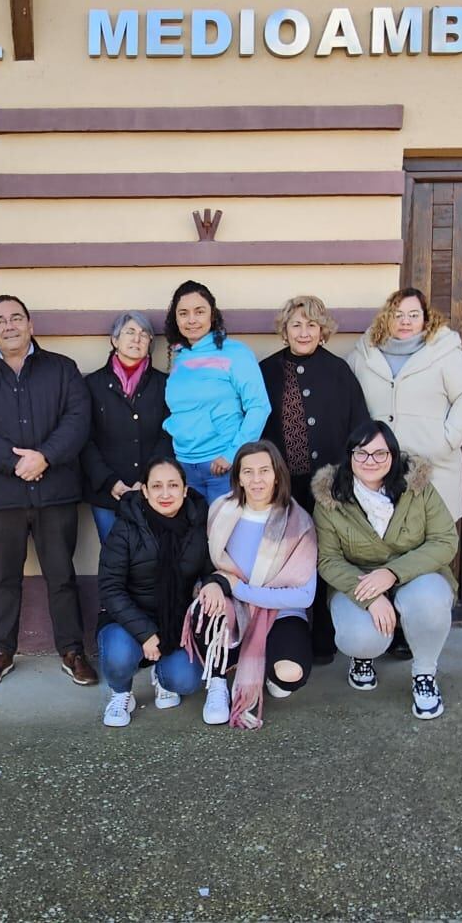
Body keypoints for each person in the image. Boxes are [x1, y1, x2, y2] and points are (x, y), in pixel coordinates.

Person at [0, 295, 97, 688]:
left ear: (31, 325)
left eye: (16, 318)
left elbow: (78, 419)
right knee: (3, 578)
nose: (9, 325)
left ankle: (72, 649)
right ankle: (1, 652)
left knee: (62, 575)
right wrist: (15, 461)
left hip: (56, 492)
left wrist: (45, 456)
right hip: (1, 495)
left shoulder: (63, 370)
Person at [310, 422, 459, 719]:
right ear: (350, 455)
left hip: (415, 577)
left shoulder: (418, 489)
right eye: (361, 453)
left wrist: (391, 574)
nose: (370, 461)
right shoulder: (331, 499)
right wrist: (370, 596)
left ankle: (424, 674)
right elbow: (327, 560)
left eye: (380, 454)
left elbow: (445, 540)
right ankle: (362, 658)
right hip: (360, 583)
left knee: (429, 600)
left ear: (393, 455)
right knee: (362, 639)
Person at [260, 294, 371, 663]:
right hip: (282, 487)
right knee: (283, 559)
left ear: (322, 331)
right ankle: (280, 639)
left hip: (328, 488)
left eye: (311, 324)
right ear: (285, 330)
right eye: (296, 324)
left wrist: (349, 480)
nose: (304, 331)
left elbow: (359, 428)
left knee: (325, 559)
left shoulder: (339, 371)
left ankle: (324, 639)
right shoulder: (267, 370)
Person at [198, 441, 319, 729]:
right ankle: (217, 682)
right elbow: (213, 566)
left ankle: (265, 667)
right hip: (235, 609)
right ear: (238, 477)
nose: (256, 479)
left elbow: (304, 595)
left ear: (277, 474)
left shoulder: (298, 522)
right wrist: (215, 584)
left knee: (289, 673)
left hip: (283, 612)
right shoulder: (220, 510)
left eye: (264, 470)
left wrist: (239, 588)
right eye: (248, 472)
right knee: (207, 608)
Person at [94, 458, 218, 727]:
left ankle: (161, 677)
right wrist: (145, 633)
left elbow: (210, 569)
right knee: (119, 657)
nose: (165, 494)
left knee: (186, 681)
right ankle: (121, 693)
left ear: (185, 490)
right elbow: (110, 587)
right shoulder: (126, 526)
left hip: (174, 619)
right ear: (145, 491)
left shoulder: (198, 523)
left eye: (173, 485)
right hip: (127, 619)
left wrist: (211, 585)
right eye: (157, 486)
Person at [348, 287, 462, 525]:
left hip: (433, 466)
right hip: (377, 467)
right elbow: (346, 398)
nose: (405, 321)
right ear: (387, 318)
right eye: (398, 314)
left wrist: (448, 439)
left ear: (425, 318)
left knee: (431, 544)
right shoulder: (364, 355)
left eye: (413, 314)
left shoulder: (445, 354)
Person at [162, 280, 271, 504]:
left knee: (225, 537)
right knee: (195, 538)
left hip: (221, 467)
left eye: (199, 312)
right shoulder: (178, 357)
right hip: (184, 467)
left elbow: (259, 406)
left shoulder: (235, 353)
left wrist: (233, 454)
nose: (191, 320)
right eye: (183, 313)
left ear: (212, 315)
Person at [81, 310, 171, 541]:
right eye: (129, 332)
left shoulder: (163, 384)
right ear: (114, 340)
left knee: (151, 560)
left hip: (152, 490)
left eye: (144, 334)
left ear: (151, 342)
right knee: (114, 561)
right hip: (107, 492)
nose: (137, 339)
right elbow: (84, 440)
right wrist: (111, 482)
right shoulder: (92, 385)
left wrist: (147, 480)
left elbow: (167, 435)